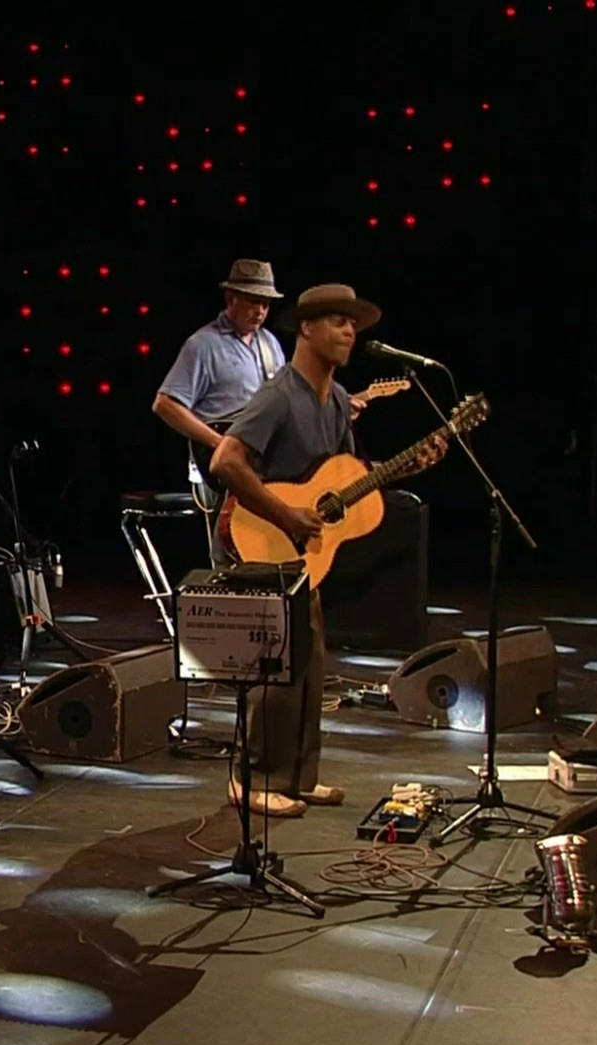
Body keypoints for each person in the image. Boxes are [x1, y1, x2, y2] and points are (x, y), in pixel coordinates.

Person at [209, 284, 444, 817]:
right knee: (274, 671)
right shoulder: (279, 395)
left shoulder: (336, 398)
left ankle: (296, 777)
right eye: (338, 321)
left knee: (310, 669)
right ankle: (252, 779)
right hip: (259, 541)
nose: (350, 332)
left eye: (354, 324)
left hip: (302, 555)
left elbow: (341, 479)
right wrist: (286, 515)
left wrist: (404, 468)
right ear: (307, 328)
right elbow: (225, 461)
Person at [152, 259, 288, 564]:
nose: (260, 311)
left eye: (266, 304)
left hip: (263, 462)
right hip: (221, 463)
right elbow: (165, 404)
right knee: (228, 548)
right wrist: (219, 442)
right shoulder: (202, 345)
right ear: (231, 298)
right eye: (253, 302)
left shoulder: (270, 344)